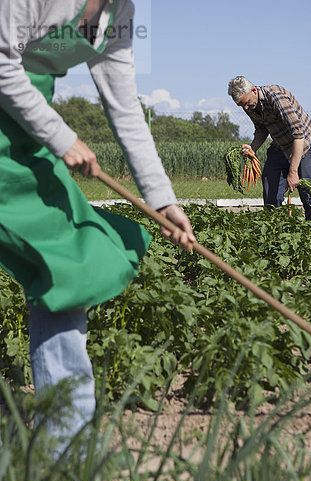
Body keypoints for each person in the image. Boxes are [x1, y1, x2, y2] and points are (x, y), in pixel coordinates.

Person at [0, 0, 195, 453]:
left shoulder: (120, 14)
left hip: (26, 132)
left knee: (69, 260)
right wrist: (63, 136)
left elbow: (125, 109)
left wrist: (162, 200)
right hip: (27, 118)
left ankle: (66, 447)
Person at [228, 76, 311, 221]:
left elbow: (299, 135)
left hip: (304, 145)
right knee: (270, 190)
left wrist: (293, 172)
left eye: (246, 103)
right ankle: (275, 232)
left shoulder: (277, 97)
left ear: (254, 90)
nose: (245, 108)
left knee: (309, 194)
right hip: (280, 145)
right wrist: (252, 148)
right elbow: (261, 129)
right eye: (241, 105)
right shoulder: (250, 104)